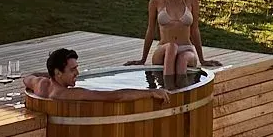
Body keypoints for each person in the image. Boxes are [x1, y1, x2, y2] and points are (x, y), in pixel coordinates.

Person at [139, 0, 206, 86]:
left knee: (183, 58)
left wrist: (202, 60)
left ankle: (179, 92)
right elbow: (150, 29)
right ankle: (169, 89)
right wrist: (142, 59)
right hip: (164, 49)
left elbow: (195, 30)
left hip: (186, 48)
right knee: (171, 47)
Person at [23, 48, 168, 103]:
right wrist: (151, 92)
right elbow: (116, 97)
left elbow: (27, 77)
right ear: (58, 73)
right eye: (72, 70)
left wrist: (50, 75)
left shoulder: (41, 84)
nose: (77, 73)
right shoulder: (67, 94)